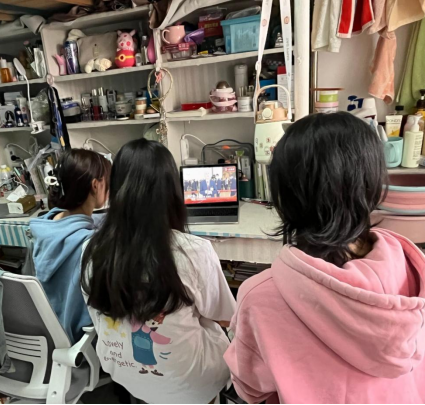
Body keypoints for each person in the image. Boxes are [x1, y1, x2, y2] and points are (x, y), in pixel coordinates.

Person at [225, 112, 425, 404]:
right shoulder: (414, 269)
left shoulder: (259, 298)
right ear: (372, 185)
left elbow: (251, 389)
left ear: (283, 195)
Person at [81, 139, 236, 404]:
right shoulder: (194, 251)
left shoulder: (91, 249)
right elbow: (226, 317)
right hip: (193, 385)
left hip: (126, 375)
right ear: (172, 190)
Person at [30, 149, 111, 344]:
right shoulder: (89, 245)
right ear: (95, 185)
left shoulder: (45, 225)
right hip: (82, 339)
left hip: (51, 332)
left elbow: (87, 221)